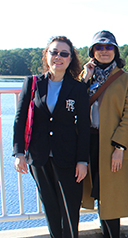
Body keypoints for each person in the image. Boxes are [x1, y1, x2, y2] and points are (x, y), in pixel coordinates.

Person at [13, 36, 90, 238]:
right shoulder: (32, 83)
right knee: (51, 208)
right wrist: (19, 152)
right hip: (39, 157)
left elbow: (83, 128)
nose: (58, 57)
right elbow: (20, 119)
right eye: (54, 52)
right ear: (47, 55)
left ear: (70, 58)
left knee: (70, 209)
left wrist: (83, 160)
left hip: (69, 158)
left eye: (64, 53)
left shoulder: (79, 88)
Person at [80, 30, 128, 238]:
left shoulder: (126, 80)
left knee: (110, 197)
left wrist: (120, 147)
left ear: (115, 50)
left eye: (108, 47)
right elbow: (74, 104)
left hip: (111, 145)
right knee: (94, 192)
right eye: (99, 47)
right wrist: (85, 77)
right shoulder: (84, 78)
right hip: (87, 143)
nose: (104, 51)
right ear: (92, 51)